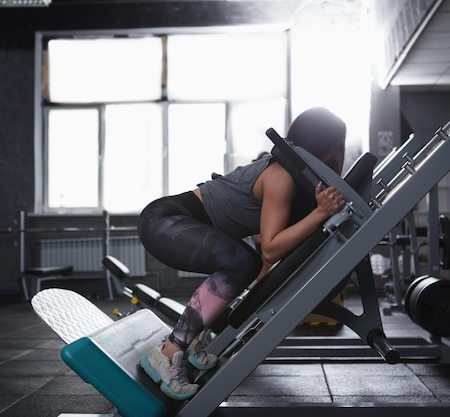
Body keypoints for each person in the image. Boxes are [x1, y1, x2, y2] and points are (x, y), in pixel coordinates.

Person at [136, 107, 347, 400]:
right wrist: (322, 212)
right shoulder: (281, 175)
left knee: (241, 263)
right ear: (330, 145)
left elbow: (263, 249)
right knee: (240, 261)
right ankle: (168, 352)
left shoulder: (293, 178)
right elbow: (272, 249)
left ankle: (192, 339)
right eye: (340, 145)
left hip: (173, 223)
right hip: (164, 221)